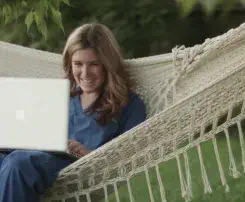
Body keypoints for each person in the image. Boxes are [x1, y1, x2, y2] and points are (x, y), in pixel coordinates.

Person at [0, 23, 146, 202]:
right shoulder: (62, 95)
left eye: (94, 64)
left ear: (108, 65)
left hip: (77, 171)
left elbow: (131, 154)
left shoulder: (129, 105)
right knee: (13, 159)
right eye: (78, 64)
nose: (85, 73)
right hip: (35, 157)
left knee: (18, 164)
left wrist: (89, 155)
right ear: (70, 64)